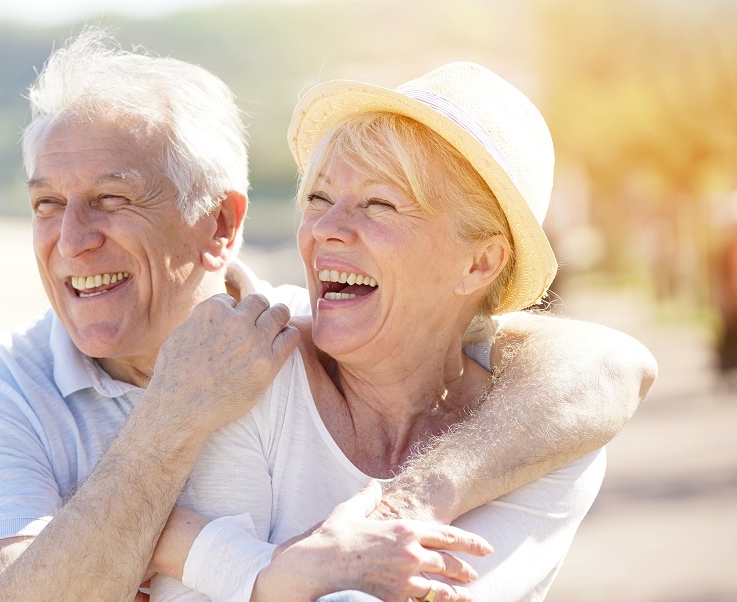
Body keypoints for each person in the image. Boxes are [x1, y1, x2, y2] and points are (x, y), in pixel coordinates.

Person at [0, 29, 657, 602]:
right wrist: (174, 429)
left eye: (113, 200)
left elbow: (609, 363)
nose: (71, 239)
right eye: (45, 204)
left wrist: (402, 504)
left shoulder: (280, 350)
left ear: (221, 226)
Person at [146, 63, 627, 601]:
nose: (324, 230)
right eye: (319, 199)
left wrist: (218, 558)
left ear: (479, 263)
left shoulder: (545, 439)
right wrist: (288, 570)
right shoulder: (260, 366)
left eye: (379, 204)